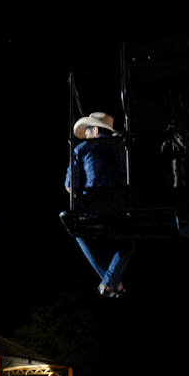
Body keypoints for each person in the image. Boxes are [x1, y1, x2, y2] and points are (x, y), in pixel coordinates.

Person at [64, 112, 134, 297]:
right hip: (120, 207)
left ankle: (111, 282)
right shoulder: (124, 147)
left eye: (87, 133)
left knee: (80, 235)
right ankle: (110, 282)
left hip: (92, 208)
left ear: (94, 130)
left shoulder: (82, 148)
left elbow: (70, 186)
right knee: (127, 241)